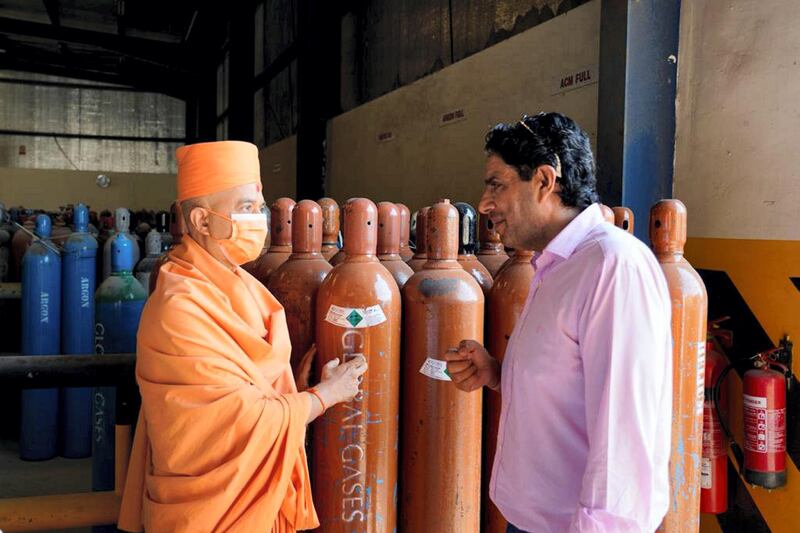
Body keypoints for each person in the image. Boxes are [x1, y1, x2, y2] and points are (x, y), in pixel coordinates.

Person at [118, 140, 366, 532]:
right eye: (247, 209)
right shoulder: (178, 307)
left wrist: (289, 390)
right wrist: (324, 397)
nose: (260, 220)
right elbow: (233, 419)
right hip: (208, 512)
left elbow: (248, 383)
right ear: (201, 221)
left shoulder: (240, 283)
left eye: (260, 208)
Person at [445, 113, 672, 532]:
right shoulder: (557, 263)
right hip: (532, 520)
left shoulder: (611, 266)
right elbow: (571, 379)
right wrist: (497, 373)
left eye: (496, 184)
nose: (483, 203)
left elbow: (621, 432)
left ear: (545, 181)